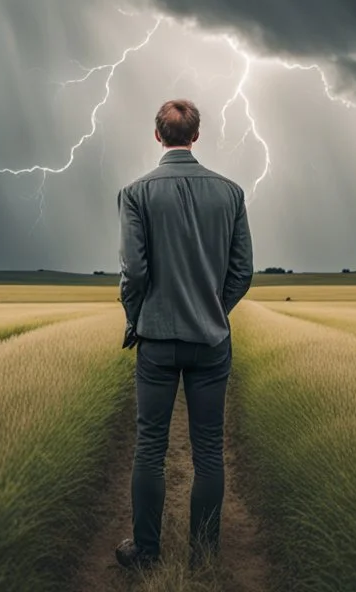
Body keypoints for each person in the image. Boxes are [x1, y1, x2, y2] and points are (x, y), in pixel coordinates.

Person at [114, 98, 254, 572]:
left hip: (156, 339)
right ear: (196, 136)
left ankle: (147, 552)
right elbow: (243, 272)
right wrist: (214, 311)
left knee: (150, 446)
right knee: (209, 449)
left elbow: (134, 271)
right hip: (212, 341)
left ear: (158, 136)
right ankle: (203, 556)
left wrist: (138, 318)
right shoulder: (231, 193)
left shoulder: (136, 193)